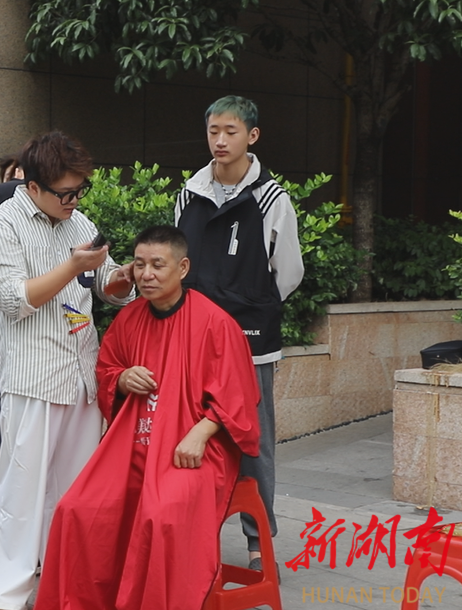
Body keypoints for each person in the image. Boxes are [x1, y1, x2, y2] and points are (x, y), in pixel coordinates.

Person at [35, 226, 261, 610]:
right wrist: (121, 379)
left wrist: (201, 433)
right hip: (133, 441)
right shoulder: (130, 319)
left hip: (191, 447)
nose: (147, 274)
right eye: (139, 265)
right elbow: (106, 369)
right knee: (77, 508)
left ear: (183, 267)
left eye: (158, 265)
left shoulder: (215, 323)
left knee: (162, 513)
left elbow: (239, 396)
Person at [0, 131, 134, 610]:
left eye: (79, 190)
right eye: (65, 192)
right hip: (33, 377)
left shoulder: (77, 218)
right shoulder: (2, 224)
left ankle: (66, 580)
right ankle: (4, 595)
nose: (74, 200)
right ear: (32, 185)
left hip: (80, 371)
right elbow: (11, 299)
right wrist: (71, 267)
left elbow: (105, 283)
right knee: (22, 491)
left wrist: (123, 277)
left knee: (75, 490)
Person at [175, 95, 304, 569]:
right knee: (189, 432)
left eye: (230, 131)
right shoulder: (188, 193)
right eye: (213, 131)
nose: (220, 140)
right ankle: (191, 532)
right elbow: (177, 263)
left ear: (252, 136)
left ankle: (258, 541)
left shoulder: (272, 199)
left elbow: (287, 272)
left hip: (251, 342)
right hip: (193, 338)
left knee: (253, 441)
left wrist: (250, 304)